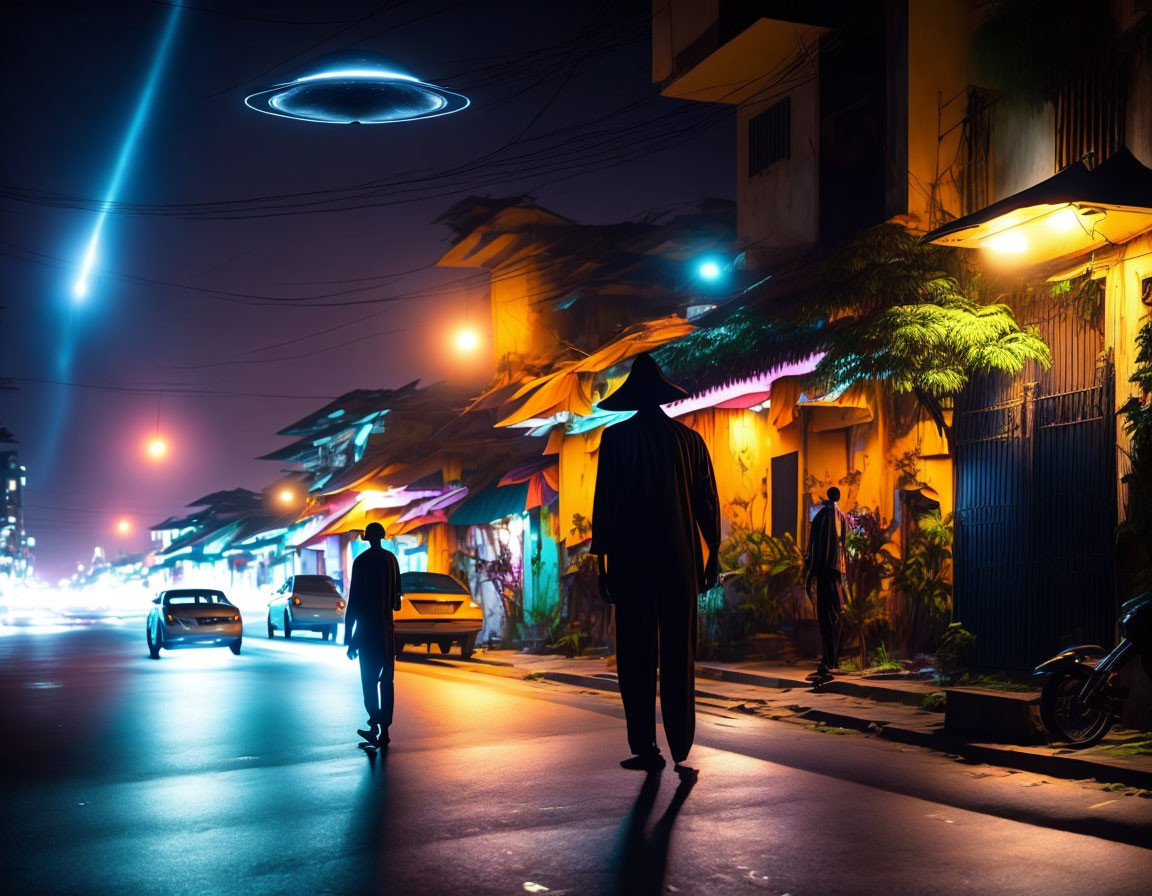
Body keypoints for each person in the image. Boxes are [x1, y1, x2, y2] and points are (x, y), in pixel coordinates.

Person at [591, 353, 720, 772]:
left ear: (632, 398)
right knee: (680, 651)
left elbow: (605, 507)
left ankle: (646, 746)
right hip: (681, 560)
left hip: (632, 563)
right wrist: (712, 554)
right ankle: (681, 743)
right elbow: (707, 503)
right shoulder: (690, 441)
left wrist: (602, 566)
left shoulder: (615, 440)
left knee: (636, 653)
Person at [344, 521, 403, 748]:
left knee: (368, 682)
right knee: (386, 682)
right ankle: (384, 731)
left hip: (367, 632)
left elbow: (355, 601)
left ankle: (374, 724)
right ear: (383, 537)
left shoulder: (361, 561)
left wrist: (350, 637)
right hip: (388, 632)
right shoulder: (391, 560)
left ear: (368, 538)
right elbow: (397, 602)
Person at [805, 486, 850, 681]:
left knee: (826, 618)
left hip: (825, 573)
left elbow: (812, 545)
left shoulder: (822, 516)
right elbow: (845, 546)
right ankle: (832, 661)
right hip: (837, 575)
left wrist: (811, 571)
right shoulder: (843, 517)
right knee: (836, 616)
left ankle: (828, 662)